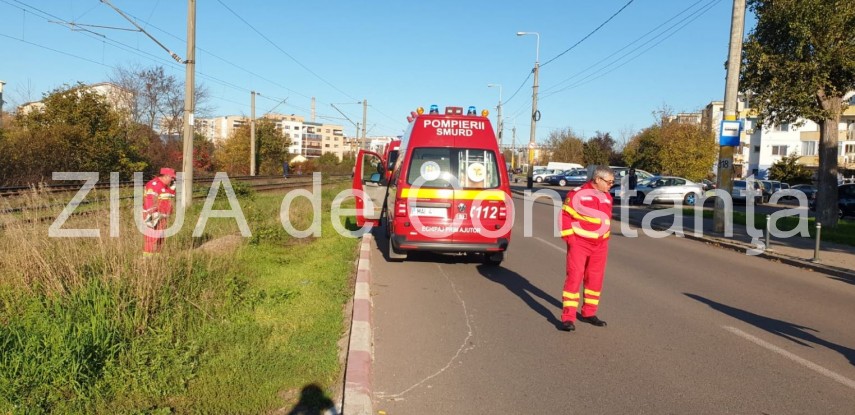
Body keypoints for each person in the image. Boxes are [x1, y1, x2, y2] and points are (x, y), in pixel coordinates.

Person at [558, 165, 614, 332]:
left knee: (595, 279)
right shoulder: (577, 194)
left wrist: (605, 237)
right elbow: (565, 216)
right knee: (574, 278)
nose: (611, 185)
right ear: (597, 179)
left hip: (600, 245)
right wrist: (571, 240)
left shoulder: (607, 196)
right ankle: (568, 318)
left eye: (612, 182)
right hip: (580, 243)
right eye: (609, 182)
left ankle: (589, 313)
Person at [142, 167, 177, 256]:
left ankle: (157, 256)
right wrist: (153, 214)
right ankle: (147, 258)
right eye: (172, 177)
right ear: (165, 176)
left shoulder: (164, 186)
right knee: (151, 238)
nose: (172, 179)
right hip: (154, 215)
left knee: (160, 238)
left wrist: (173, 188)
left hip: (162, 215)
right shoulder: (154, 185)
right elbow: (149, 200)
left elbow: (169, 196)